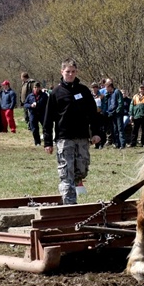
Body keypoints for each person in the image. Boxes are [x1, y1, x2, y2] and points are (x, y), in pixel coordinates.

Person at [43, 58, 101, 205]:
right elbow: (48, 119)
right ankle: (69, 204)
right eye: (67, 72)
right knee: (66, 172)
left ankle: (74, 187)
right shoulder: (56, 93)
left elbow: (93, 114)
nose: (70, 74)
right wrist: (48, 142)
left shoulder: (84, 91)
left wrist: (96, 132)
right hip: (64, 138)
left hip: (82, 137)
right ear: (62, 72)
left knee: (81, 170)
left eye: (73, 72)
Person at [24, 82, 48, 146]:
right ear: (33, 88)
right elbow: (25, 104)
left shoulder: (44, 95)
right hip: (33, 114)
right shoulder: (30, 96)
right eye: (35, 87)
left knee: (45, 128)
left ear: (40, 88)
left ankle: (47, 141)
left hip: (42, 114)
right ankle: (37, 142)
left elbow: (48, 104)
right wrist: (30, 105)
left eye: (37, 87)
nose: (36, 89)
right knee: (34, 129)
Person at [105, 82, 126, 149]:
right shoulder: (109, 94)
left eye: (106, 88)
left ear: (110, 87)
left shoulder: (117, 92)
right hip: (112, 114)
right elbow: (107, 103)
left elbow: (120, 102)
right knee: (114, 129)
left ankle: (122, 144)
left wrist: (117, 110)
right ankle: (117, 144)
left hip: (118, 114)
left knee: (120, 128)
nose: (106, 89)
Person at [90, 82, 107, 149]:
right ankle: (96, 143)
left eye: (96, 87)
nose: (94, 89)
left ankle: (101, 143)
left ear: (98, 88)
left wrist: (103, 111)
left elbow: (105, 104)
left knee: (101, 130)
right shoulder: (89, 96)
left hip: (100, 114)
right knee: (94, 129)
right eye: (93, 87)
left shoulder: (102, 95)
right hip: (92, 115)